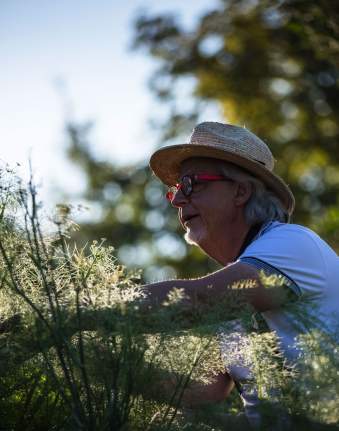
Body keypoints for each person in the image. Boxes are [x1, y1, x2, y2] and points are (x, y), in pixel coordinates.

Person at [141, 121, 339, 427]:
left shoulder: (292, 243)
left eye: (191, 184)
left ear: (241, 191)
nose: (178, 201)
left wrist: (83, 310)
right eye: (176, 190)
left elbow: (195, 300)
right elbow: (207, 391)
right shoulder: (237, 280)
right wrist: (105, 367)